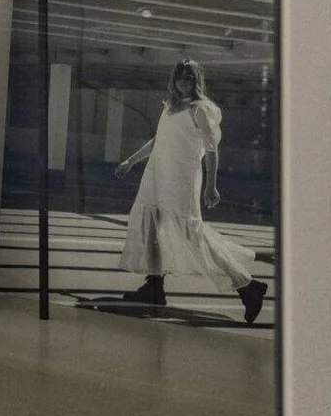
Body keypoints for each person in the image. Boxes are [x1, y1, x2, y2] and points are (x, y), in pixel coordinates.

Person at [113, 58, 268, 325]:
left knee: (193, 236)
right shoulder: (170, 108)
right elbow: (157, 141)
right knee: (151, 227)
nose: (184, 83)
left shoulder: (201, 110)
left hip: (180, 181)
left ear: (197, 82)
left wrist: (211, 186)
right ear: (173, 80)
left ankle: (247, 286)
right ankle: (154, 286)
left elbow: (211, 150)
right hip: (156, 177)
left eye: (189, 79)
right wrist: (131, 161)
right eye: (180, 78)